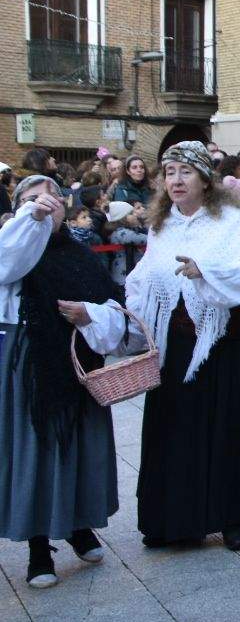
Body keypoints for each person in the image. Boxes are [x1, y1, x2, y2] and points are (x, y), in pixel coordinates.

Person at [126, 142, 240, 551]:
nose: (175, 179)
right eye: (169, 172)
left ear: (205, 178)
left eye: (185, 171)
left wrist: (204, 271)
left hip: (229, 345)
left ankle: (230, 518)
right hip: (178, 346)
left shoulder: (231, 221)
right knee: (175, 432)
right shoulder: (161, 225)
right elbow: (145, 277)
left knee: (227, 430)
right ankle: (174, 521)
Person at [0, 175, 127, 588]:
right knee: (36, 453)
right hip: (32, 371)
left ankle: (78, 526)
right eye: (31, 200)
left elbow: (114, 306)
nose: (44, 205)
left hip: (79, 366)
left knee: (80, 449)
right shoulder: (10, 250)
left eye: (51, 198)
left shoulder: (79, 252)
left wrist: (90, 315)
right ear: (17, 209)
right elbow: (9, 264)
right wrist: (28, 222)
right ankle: (39, 547)